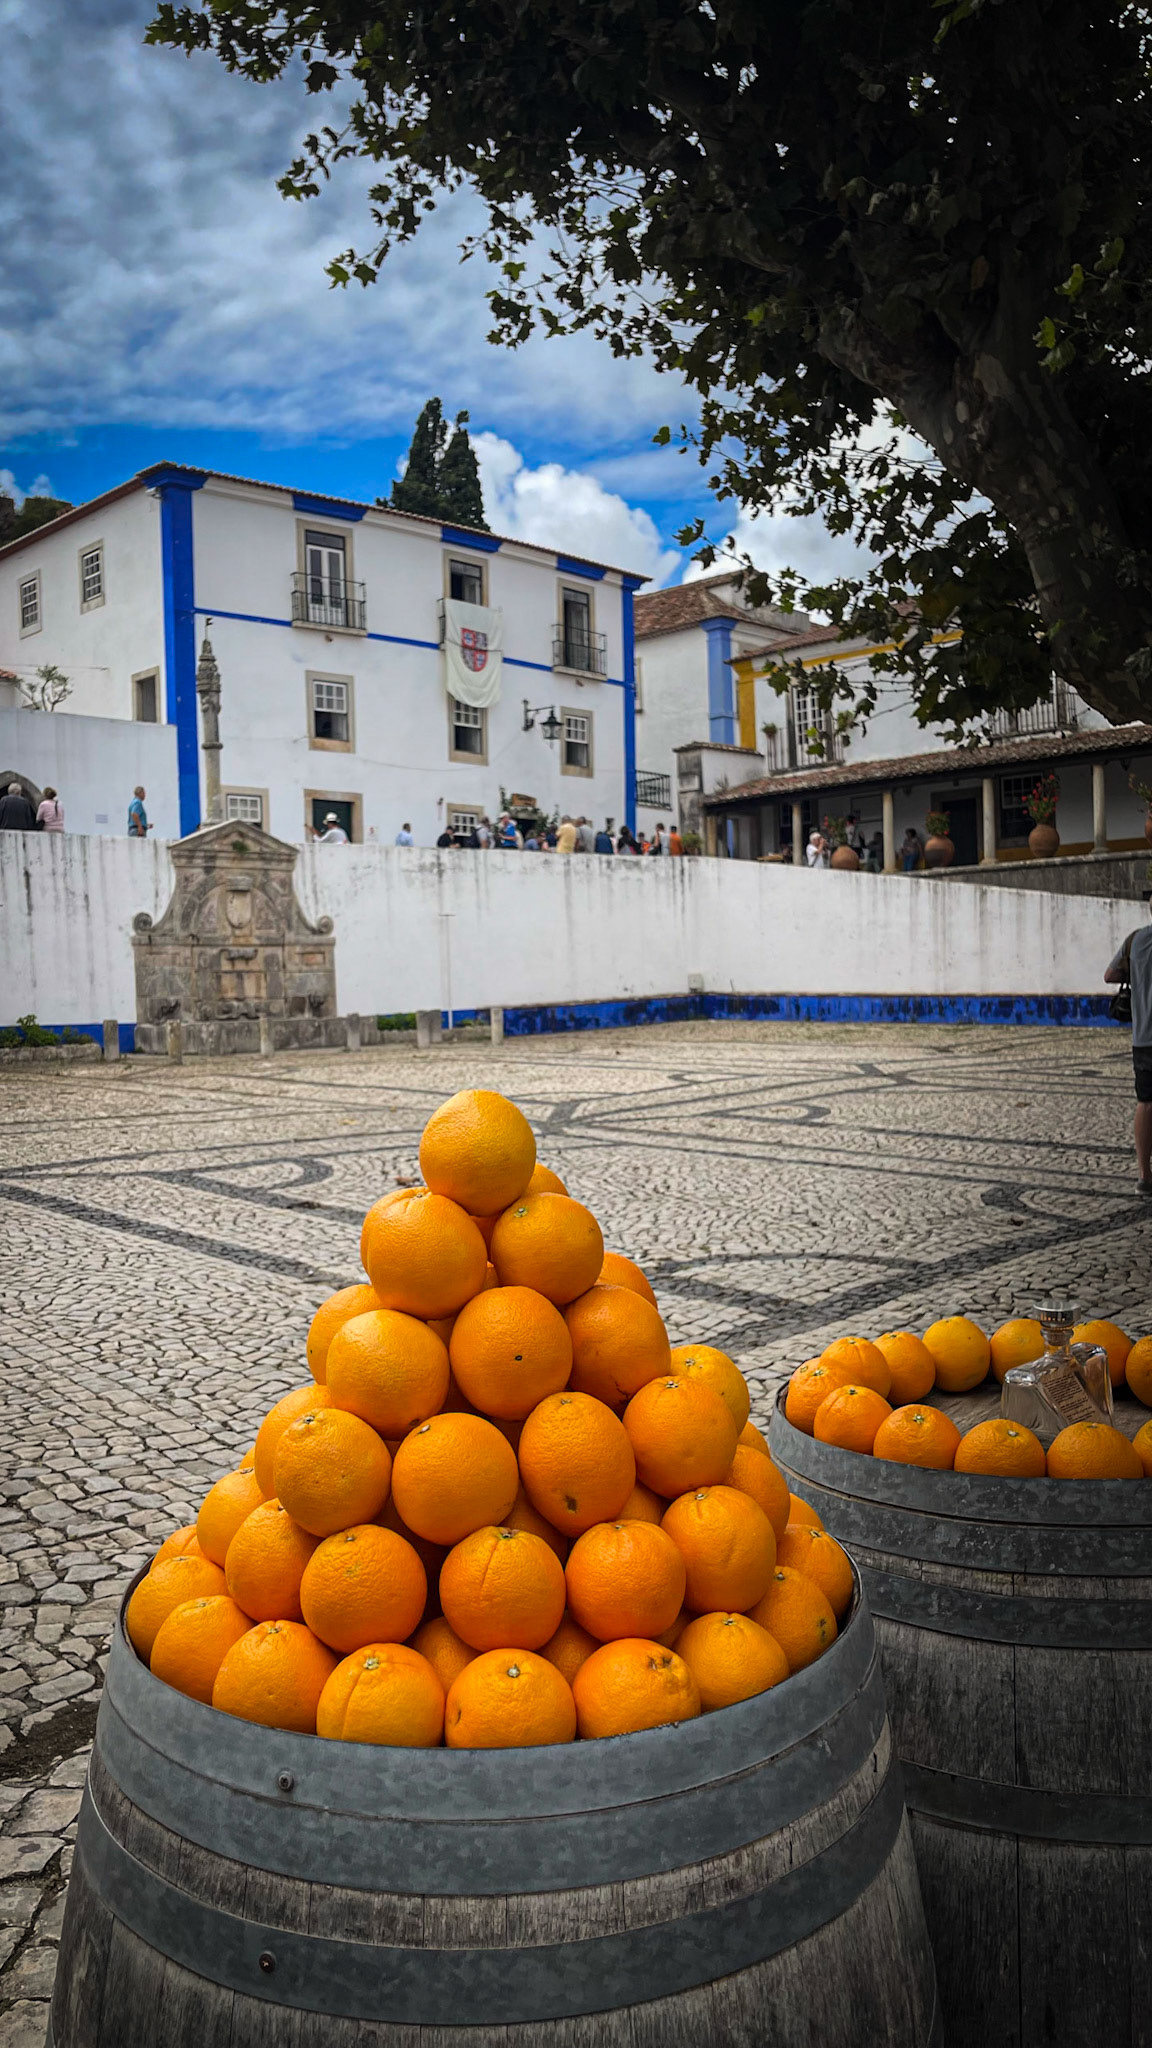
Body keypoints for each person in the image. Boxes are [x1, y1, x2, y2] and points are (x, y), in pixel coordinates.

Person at [1105, 898, 1152, 1193]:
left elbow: (1110, 975)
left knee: (1146, 1103)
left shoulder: (1135, 940)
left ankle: (1145, 1177)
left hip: (1144, 1036)